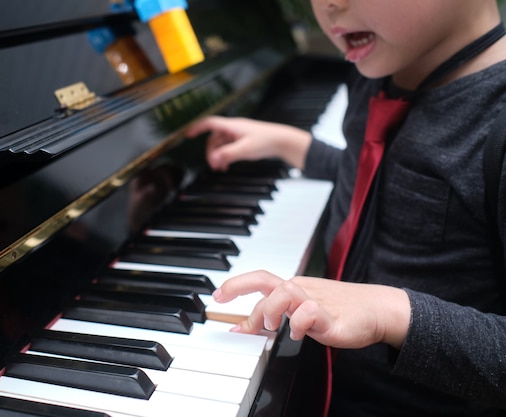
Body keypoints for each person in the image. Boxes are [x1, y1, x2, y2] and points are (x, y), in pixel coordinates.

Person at [185, 0, 506, 416]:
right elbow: (381, 183)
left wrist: (392, 313)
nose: (329, 4)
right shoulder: (379, 68)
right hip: (317, 380)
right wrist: (293, 146)